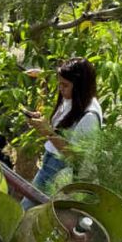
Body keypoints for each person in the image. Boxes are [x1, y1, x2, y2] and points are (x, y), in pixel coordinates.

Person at [25, 57, 102, 196]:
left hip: (60, 170)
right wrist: (43, 123)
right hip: (51, 161)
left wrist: (48, 132)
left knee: (30, 206)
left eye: (65, 85)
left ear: (80, 86)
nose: (60, 89)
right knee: (33, 206)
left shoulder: (89, 117)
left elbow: (77, 157)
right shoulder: (72, 99)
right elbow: (64, 130)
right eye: (59, 84)